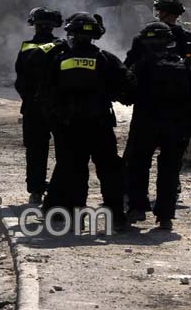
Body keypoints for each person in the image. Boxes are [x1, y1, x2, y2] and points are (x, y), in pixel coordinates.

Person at [41, 13, 134, 231]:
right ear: (95, 36)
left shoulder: (59, 61)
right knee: (109, 170)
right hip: (100, 125)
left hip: (70, 126)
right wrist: (110, 93)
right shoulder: (106, 59)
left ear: (71, 35)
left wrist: (57, 119)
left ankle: (76, 217)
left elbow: (46, 94)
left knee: (75, 171)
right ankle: (116, 217)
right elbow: (129, 87)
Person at [124, 22, 191, 230]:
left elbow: (127, 95)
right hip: (176, 126)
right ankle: (165, 216)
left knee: (137, 164)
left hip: (146, 122)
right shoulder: (183, 65)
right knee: (170, 169)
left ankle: (137, 208)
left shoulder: (141, 66)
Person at [15, 7, 63, 205]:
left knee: (35, 150)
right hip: (58, 108)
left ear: (34, 25)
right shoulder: (62, 47)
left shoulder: (26, 48)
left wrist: (30, 98)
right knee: (64, 150)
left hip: (34, 107)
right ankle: (61, 189)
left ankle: (36, 191)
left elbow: (20, 81)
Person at [125, 0, 191, 68]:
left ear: (165, 13)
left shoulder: (144, 36)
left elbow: (128, 65)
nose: (159, 14)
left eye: (160, 11)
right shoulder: (186, 36)